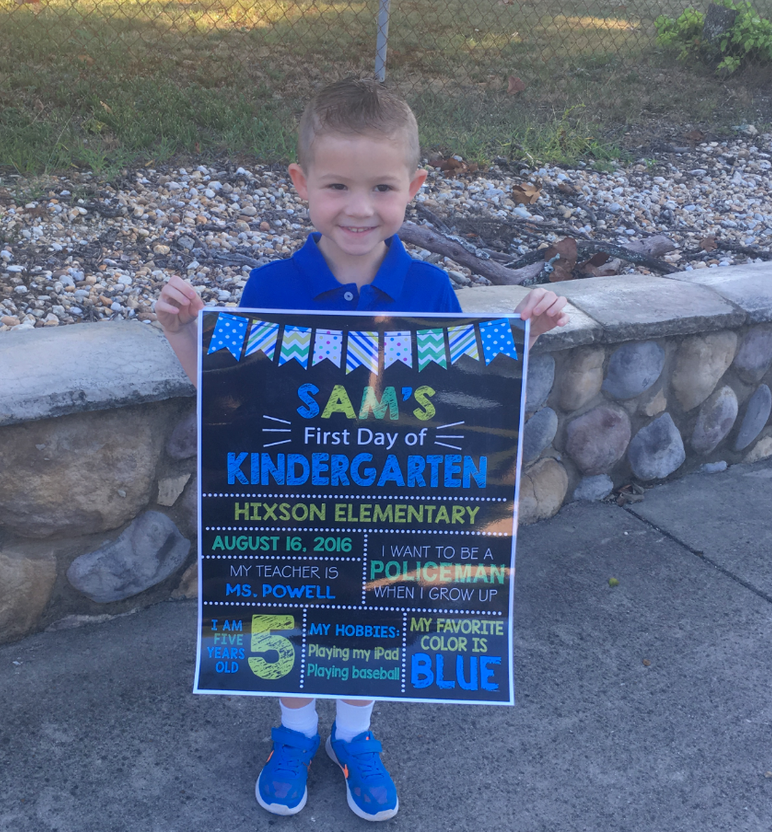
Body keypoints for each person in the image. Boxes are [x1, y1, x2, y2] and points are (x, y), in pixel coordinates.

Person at [156, 77, 569, 822]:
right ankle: (292, 731)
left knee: (375, 616)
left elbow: (464, 396)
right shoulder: (270, 285)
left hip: (392, 503)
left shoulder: (431, 291)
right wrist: (186, 335)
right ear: (301, 183)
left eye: (381, 187)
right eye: (337, 186)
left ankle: (353, 734)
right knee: (284, 615)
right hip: (291, 505)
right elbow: (233, 403)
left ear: (414, 187)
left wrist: (521, 335)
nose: (358, 207)